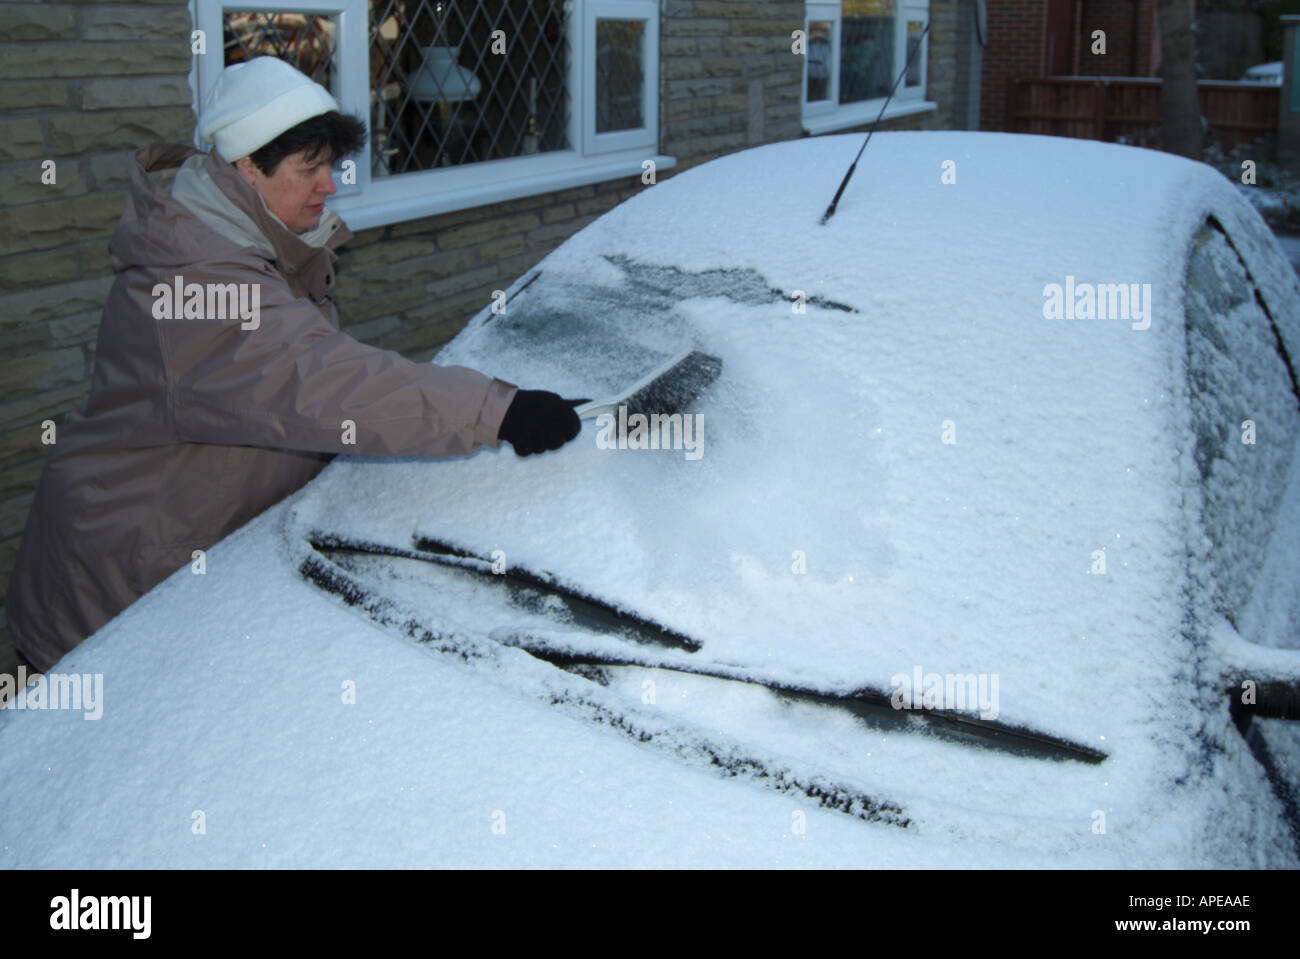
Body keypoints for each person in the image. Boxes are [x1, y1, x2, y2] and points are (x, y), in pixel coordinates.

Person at [7, 57, 584, 672]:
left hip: (190, 557)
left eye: (331, 166)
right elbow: (317, 379)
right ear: (246, 167)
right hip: (116, 587)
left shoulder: (245, 240)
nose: (329, 185)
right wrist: (495, 410)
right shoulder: (193, 282)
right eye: (310, 169)